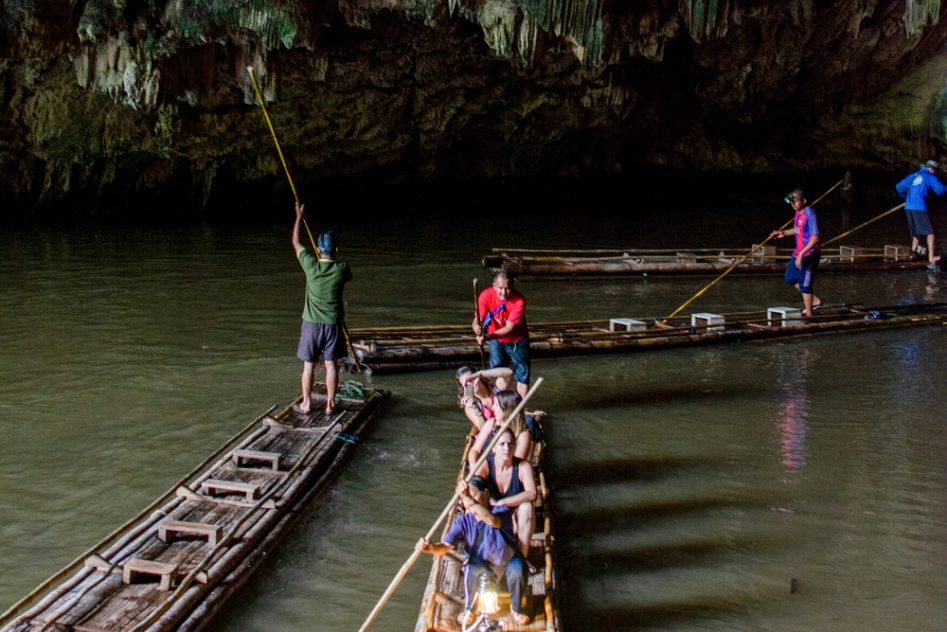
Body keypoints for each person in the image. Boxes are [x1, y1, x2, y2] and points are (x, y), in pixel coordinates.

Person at [416, 478, 530, 626]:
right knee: (471, 566)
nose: (469, 502)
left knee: (518, 567)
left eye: (474, 496)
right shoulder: (462, 522)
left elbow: (491, 521)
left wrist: (467, 499)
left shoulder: (502, 512)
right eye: (466, 498)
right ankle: (469, 609)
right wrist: (429, 548)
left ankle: (515, 609)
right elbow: (444, 547)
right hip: (482, 573)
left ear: (487, 494)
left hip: (506, 569)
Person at [292, 202, 352, 415]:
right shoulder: (342, 269)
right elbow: (346, 276)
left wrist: (299, 216)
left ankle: (307, 404)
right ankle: (330, 405)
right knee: (331, 365)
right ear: (336, 251)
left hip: (311, 325)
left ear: (317, 250)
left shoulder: (310, 265)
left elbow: (296, 242)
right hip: (332, 326)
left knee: (308, 365)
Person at [470, 427, 537, 559]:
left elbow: (532, 494)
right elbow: (473, 487)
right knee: (473, 509)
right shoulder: (485, 465)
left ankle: (523, 557)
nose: (507, 448)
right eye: (502, 444)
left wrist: (502, 502)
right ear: (493, 448)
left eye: (510, 443)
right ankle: (475, 554)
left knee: (527, 508)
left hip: (514, 520)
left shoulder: (523, 466)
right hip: (493, 517)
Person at [472, 271, 530, 398]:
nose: (503, 292)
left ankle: (518, 408)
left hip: (517, 340)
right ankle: (497, 403)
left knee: (522, 374)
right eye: (500, 288)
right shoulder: (485, 296)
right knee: (495, 372)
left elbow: (509, 328)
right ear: (494, 286)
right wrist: (476, 328)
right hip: (496, 340)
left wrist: (487, 337)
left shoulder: (519, 300)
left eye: (507, 288)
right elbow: (479, 319)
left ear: (513, 287)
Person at [771, 189, 822, 317]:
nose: (793, 204)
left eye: (795, 201)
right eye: (791, 202)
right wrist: (783, 233)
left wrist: (802, 254)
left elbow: (815, 238)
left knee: (805, 284)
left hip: (810, 254)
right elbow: (798, 228)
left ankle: (809, 314)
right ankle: (814, 300)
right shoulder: (798, 212)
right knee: (790, 277)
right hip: (799, 252)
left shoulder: (810, 214)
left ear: (804, 201)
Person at [467, 390, 539, 469]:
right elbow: (475, 450)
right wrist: (473, 465)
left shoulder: (523, 434)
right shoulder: (491, 423)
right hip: (486, 468)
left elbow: (514, 466)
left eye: (496, 405)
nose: (492, 407)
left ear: (507, 409)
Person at [895, 159, 947, 263]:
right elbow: (940, 190)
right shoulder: (930, 176)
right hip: (919, 207)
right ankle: (931, 257)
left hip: (909, 207)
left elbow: (899, 187)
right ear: (932, 169)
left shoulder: (913, 175)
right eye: (935, 170)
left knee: (916, 233)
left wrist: (907, 198)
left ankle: (913, 253)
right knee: (930, 232)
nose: (935, 172)